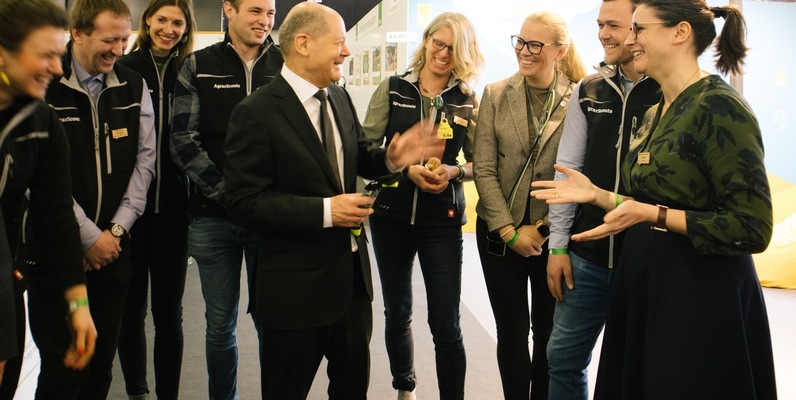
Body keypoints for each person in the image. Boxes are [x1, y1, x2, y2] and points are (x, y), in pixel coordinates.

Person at [531, 1, 777, 398]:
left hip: (697, 297)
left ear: (679, 33)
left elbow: (751, 226)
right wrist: (599, 195)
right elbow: (649, 199)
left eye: (639, 30)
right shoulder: (660, 109)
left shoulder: (719, 107)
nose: (630, 40)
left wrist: (651, 214)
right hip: (649, 286)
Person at [222, 3, 394, 399]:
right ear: (303, 43)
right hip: (293, 292)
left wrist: (391, 159)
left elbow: (360, 153)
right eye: (339, 42)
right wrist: (326, 212)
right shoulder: (255, 112)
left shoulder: (339, 98)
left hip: (351, 284)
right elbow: (245, 202)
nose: (347, 52)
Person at [361, 11, 483, 400]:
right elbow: (367, 148)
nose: (443, 53)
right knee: (397, 312)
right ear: (427, 40)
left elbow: (481, 163)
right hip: (390, 217)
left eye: (453, 47)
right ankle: (404, 387)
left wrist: (454, 172)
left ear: (463, 53)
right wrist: (403, 167)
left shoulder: (467, 100)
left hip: (443, 221)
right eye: (438, 42)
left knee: (446, 322)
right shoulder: (394, 87)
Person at [543, 1, 661, 398]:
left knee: (637, 371)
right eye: (599, 24)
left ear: (639, 28)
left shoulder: (671, 91)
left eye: (613, 25)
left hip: (645, 260)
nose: (602, 34)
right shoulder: (588, 89)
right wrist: (558, 247)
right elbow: (567, 171)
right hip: (586, 258)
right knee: (561, 359)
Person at [169, 0, 282, 397]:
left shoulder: (287, 65)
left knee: (273, 324)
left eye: (270, 13)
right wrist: (229, 194)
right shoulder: (198, 65)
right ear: (228, 10)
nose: (264, 21)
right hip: (212, 217)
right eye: (255, 11)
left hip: (270, 219)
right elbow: (183, 139)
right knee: (220, 326)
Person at [45, 0, 156, 397]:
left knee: (101, 366)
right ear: (77, 33)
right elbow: (40, 179)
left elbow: (145, 163)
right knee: (64, 369)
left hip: (114, 252)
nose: (119, 49)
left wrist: (114, 231)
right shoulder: (46, 84)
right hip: (59, 258)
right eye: (110, 39)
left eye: (125, 39)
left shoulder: (133, 85)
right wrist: (88, 237)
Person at [473, 10, 586, 400]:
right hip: (497, 236)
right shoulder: (495, 94)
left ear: (560, 51)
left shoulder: (578, 98)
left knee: (549, 333)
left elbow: (574, 176)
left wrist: (537, 230)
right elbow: (484, 170)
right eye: (520, 41)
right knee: (511, 332)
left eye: (535, 44)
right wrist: (507, 230)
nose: (524, 51)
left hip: (550, 237)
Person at [0, 0, 97, 397]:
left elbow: (55, 217)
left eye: (59, 55)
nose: (57, 68)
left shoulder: (41, 124)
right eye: (45, 55)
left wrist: (79, 307)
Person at [117, 0, 195, 399]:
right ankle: (137, 390)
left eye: (177, 22)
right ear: (147, 21)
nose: (169, 28)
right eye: (161, 20)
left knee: (170, 316)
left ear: (186, 27)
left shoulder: (190, 72)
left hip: (174, 215)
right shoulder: (125, 70)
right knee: (130, 314)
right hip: (130, 217)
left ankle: (168, 394)